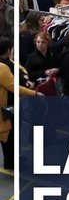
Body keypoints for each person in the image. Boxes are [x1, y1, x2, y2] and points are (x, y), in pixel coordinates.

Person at [0, 37, 37, 171]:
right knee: (8, 135)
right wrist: (34, 93)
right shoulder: (2, 67)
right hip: (7, 107)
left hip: (13, 105)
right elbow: (14, 87)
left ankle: (13, 159)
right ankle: (10, 162)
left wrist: (25, 77)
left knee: (14, 133)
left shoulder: (7, 62)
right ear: (8, 50)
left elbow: (20, 68)